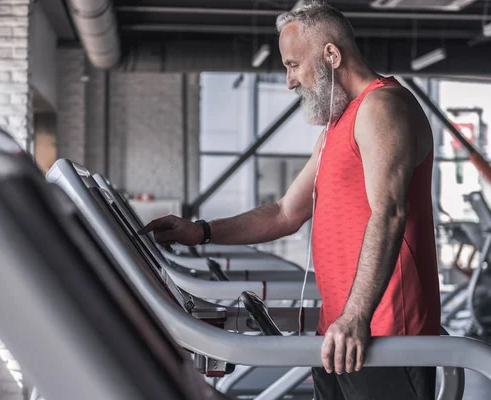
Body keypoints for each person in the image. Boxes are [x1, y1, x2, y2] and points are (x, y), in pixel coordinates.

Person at [139, 1, 441, 399]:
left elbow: (389, 214)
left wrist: (356, 316)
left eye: (293, 64)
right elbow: (284, 213)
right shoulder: (337, 127)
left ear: (331, 55)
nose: (289, 81)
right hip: (340, 336)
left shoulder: (383, 107)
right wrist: (200, 231)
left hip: (381, 333)